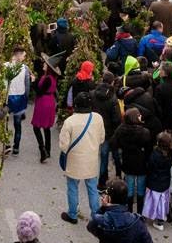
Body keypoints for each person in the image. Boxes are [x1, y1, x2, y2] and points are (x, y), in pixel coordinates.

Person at [59, 92, 105, 225]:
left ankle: (72, 214)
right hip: (91, 160)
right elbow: (102, 138)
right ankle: (96, 216)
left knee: (72, 187)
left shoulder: (70, 122)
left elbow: (63, 146)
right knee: (92, 187)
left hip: (74, 161)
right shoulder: (97, 118)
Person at [110, 108, 152, 215]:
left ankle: (128, 212)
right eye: (139, 115)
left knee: (129, 190)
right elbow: (149, 149)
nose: (141, 116)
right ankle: (139, 213)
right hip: (142, 164)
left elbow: (113, 143)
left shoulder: (121, 130)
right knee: (141, 191)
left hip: (128, 163)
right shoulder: (145, 132)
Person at [87, 178, 154, 243]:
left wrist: (103, 208)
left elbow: (90, 227)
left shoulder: (100, 221)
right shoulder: (137, 222)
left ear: (109, 199)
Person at [92, 76, 122, 189]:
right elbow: (117, 118)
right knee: (113, 154)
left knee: (103, 156)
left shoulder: (93, 94)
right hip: (110, 132)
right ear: (112, 82)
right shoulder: (113, 99)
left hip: (95, 129)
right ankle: (118, 174)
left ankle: (101, 181)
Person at [143, 131, 172, 231]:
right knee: (162, 202)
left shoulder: (154, 155)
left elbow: (150, 169)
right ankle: (161, 218)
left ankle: (154, 219)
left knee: (153, 202)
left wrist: (147, 183)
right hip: (165, 182)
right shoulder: (171, 153)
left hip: (154, 182)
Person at [32, 56, 59, 164]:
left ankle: (42, 150)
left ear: (48, 67)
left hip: (43, 102)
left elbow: (39, 91)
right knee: (46, 127)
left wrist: (33, 82)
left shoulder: (47, 78)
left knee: (36, 127)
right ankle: (48, 149)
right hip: (49, 101)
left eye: (45, 64)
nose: (43, 64)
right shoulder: (50, 77)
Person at [5, 47, 31, 155]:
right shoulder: (25, 68)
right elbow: (27, 85)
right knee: (17, 124)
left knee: (5, 122)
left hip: (8, 97)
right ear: (19, 55)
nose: (24, 58)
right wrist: (26, 96)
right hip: (20, 97)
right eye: (24, 55)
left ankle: (6, 143)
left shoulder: (5, 66)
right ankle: (16, 147)